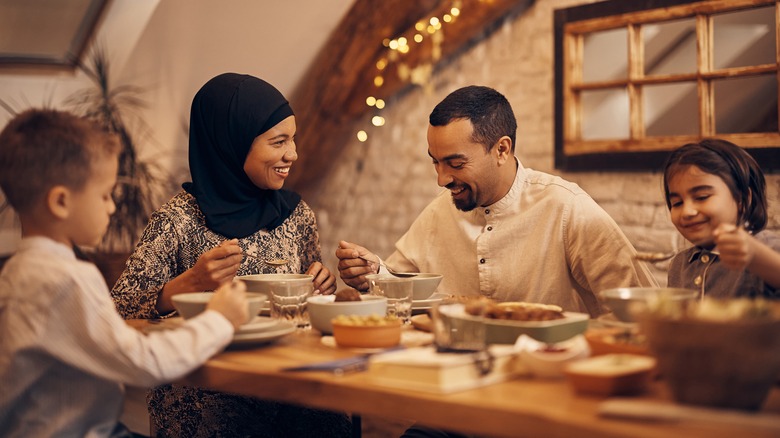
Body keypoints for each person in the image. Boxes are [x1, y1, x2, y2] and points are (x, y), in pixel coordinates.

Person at [110, 73, 350, 436]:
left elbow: (308, 305)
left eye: (293, 139)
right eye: (278, 141)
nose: (293, 154)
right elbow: (118, 311)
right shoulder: (178, 220)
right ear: (232, 145)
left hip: (289, 384)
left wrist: (323, 285)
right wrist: (191, 282)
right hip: (208, 398)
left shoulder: (296, 214)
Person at [0, 109, 250, 437]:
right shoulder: (69, 280)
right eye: (104, 195)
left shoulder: (15, 271)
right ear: (61, 202)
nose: (112, 207)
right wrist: (219, 319)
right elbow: (145, 363)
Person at [337, 85, 657, 317]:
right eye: (435, 162)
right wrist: (374, 271)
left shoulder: (566, 208)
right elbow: (403, 286)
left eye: (456, 164)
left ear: (502, 149)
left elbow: (643, 308)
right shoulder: (441, 210)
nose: (442, 179)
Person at [663, 139, 780, 298]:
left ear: (742, 199)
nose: (687, 211)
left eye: (702, 197)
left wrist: (757, 257)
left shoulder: (767, 249)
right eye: (677, 203)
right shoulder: (679, 264)